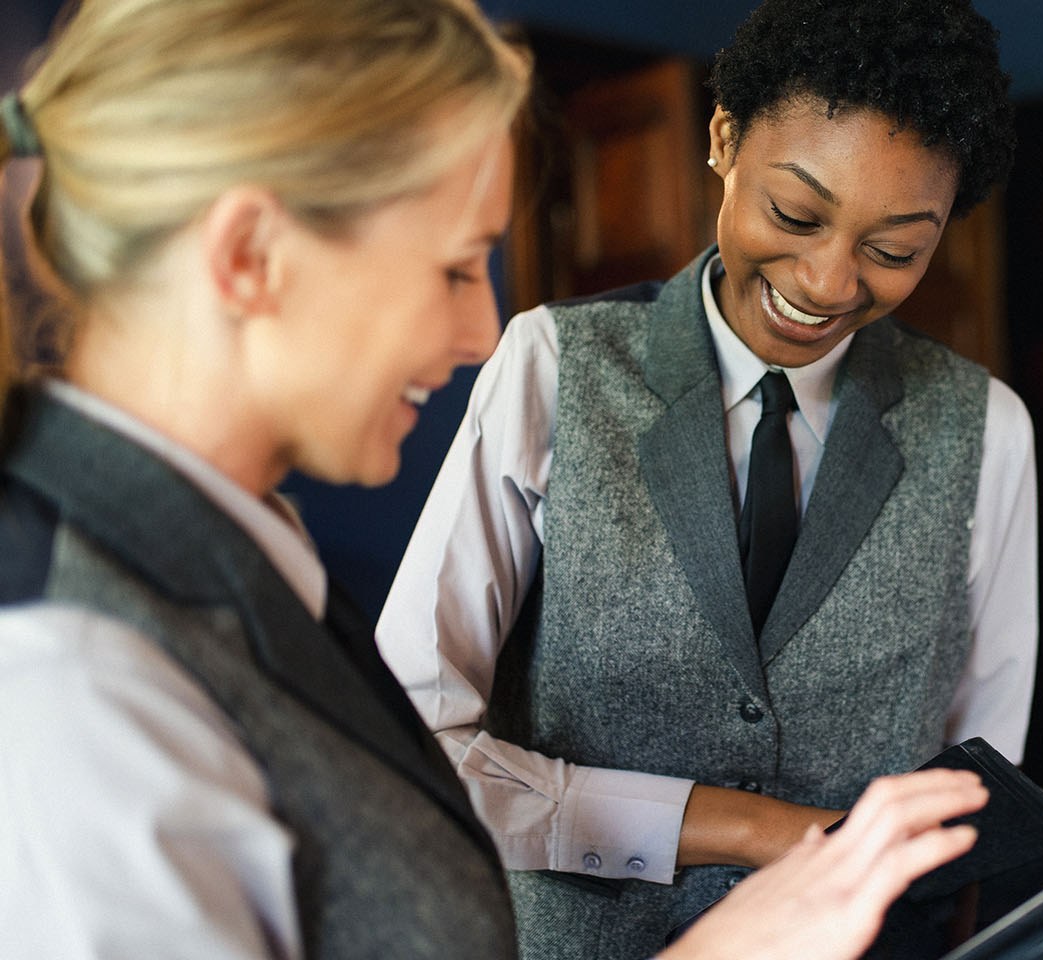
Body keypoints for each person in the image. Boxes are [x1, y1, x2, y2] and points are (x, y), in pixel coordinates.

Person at [0, 1, 987, 957]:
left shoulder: (243, 547)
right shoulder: (65, 674)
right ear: (251, 254)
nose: (482, 334)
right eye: (455, 267)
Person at [376, 0, 1037, 956]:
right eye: (794, 214)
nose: (826, 281)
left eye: (894, 251)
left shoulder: (986, 431)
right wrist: (748, 827)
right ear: (723, 139)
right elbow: (414, 744)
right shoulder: (551, 367)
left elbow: (981, 794)